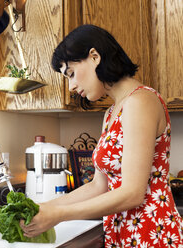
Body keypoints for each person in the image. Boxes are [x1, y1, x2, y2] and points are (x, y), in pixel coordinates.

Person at [20, 24, 183, 247]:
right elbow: (99, 186)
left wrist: (59, 215)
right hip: (123, 234)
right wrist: (48, 207)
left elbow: (133, 193)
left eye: (71, 74)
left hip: (151, 234)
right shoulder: (111, 113)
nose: (71, 86)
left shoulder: (140, 102)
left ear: (94, 56)